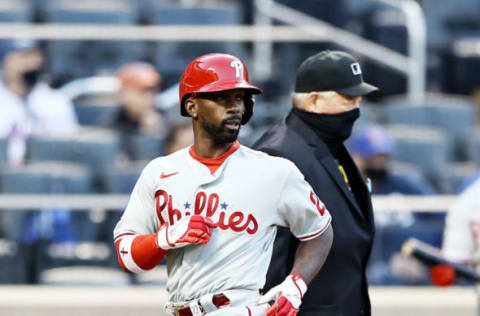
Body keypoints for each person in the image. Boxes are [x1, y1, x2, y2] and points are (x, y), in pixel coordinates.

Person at [113, 53, 334, 316]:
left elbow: (320, 231)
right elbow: (128, 257)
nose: (234, 107)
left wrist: (296, 284)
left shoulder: (275, 171)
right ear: (192, 106)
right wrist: (165, 238)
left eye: (239, 98)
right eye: (221, 97)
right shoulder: (160, 172)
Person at [254, 50, 378, 315]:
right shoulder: (279, 152)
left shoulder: (329, 144)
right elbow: (267, 257)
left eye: (358, 99)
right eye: (348, 98)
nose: (356, 108)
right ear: (314, 100)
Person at [350, 124, 438, 285]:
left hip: (407, 265)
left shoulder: (406, 185)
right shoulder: (346, 189)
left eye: (382, 157)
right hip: (364, 267)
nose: (378, 163)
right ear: (357, 157)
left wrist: (420, 257)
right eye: (372, 158)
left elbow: (437, 220)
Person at [0, 39, 78, 166]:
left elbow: (65, 151)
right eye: (23, 56)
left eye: (34, 55)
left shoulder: (55, 101)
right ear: (5, 61)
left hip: (43, 174)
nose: (30, 63)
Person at [112, 61, 166, 160]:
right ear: (124, 92)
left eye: (153, 90)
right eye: (143, 90)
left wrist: (154, 133)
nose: (149, 95)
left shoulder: (168, 119)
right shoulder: (112, 122)